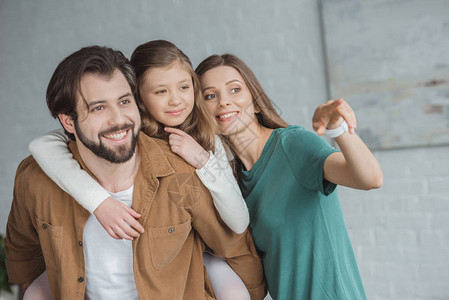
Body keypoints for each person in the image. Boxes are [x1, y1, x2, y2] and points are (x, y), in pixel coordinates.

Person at [4, 46, 266, 300]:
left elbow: (235, 245)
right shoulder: (37, 178)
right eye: (98, 107)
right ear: (68, 122)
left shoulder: (185, 169)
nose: (118, 119)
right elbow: (23, 255)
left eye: (124, 101)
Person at [194, 54, 383, 299]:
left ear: (256, 102)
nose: (224, 102)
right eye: (210, 95)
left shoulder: (292, 144)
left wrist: (337, 128)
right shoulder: (230, 181)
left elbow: (370, 179)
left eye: (235, 89)